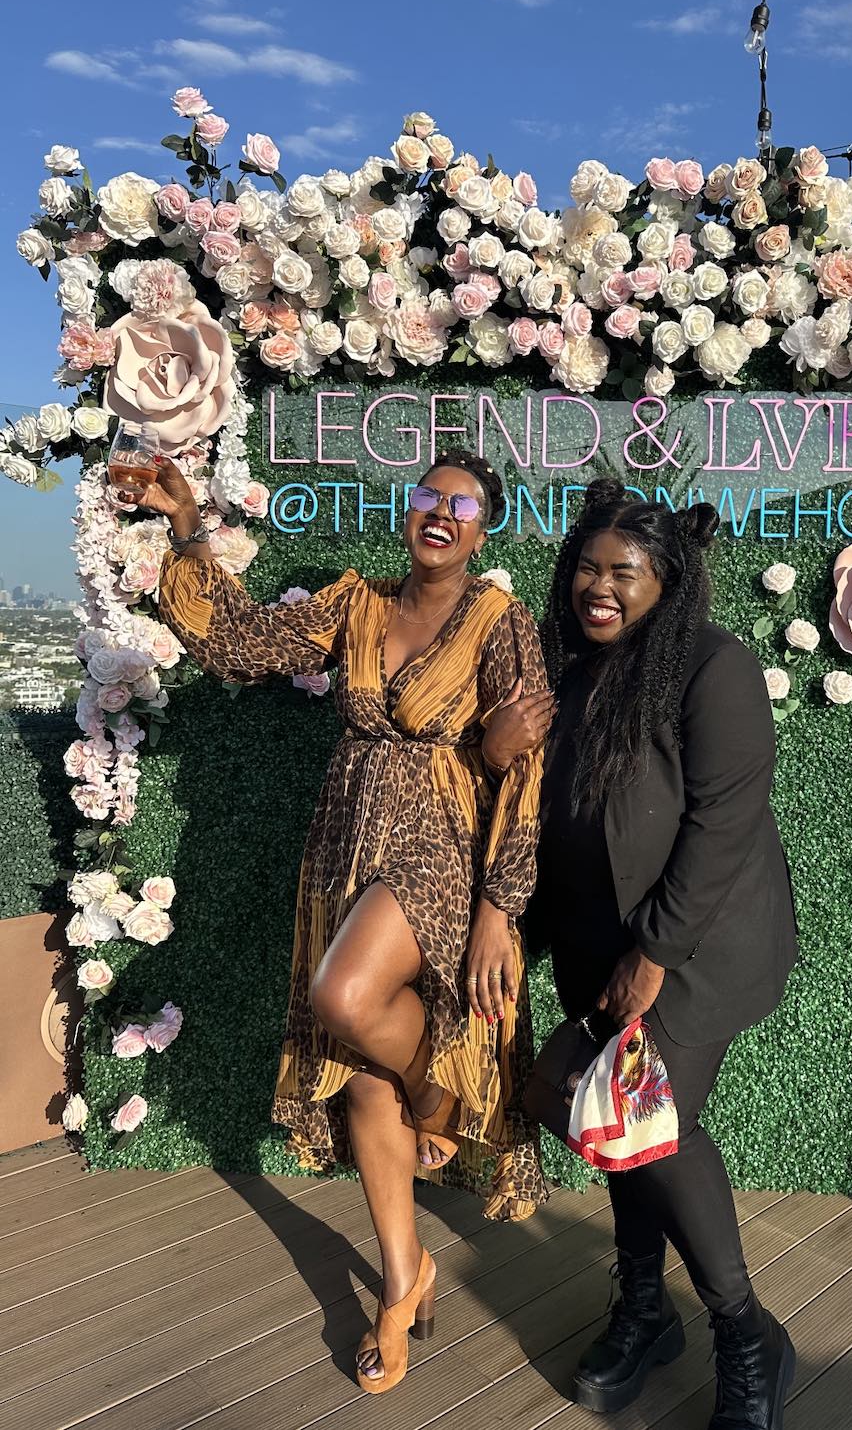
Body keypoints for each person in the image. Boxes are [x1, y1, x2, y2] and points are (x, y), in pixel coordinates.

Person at [126, 448, 555, 1396]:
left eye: (465, 505)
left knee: (343, 996)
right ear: (407, 511)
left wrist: (498, 911)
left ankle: (440, 1101)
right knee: (361, 1073)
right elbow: (237, 644)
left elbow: (526, 770)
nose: (441, 514)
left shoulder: (499, 621)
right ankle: (404, 1283)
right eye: (428, 497)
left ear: (486, 529)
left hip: (440, 850)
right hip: (346, 848)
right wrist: (187, 522)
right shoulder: (356, 605)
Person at [525, 479, 799, 1430]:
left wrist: (652, 953)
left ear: (667, 581)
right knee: (590, 1108)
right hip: (604, 948)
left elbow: (724, 823)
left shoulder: (711, 667)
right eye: (587, 569)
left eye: (624, 573)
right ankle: (646, 1309)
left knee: (651, 1122)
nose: (599, 588)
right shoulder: (573, 668)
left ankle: (744, 1332)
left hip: (698, 946)